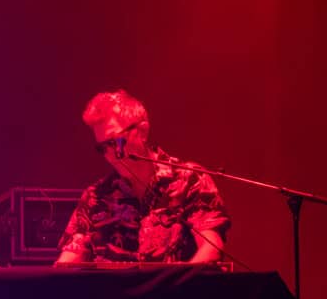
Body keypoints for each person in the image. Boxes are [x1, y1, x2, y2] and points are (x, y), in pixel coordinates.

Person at [55, 89, 229, 265]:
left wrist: (180, 281)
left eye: (115, 142)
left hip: (176, 283)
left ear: (142, 131)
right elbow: (68, 260)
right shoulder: (96, 197)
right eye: (102, 148)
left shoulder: (189, 179)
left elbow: (211, 250)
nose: (110, 155)